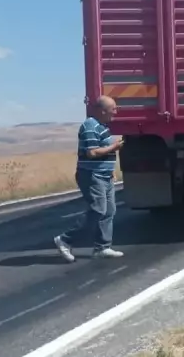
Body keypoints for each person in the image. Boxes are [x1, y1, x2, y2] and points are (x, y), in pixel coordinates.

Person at [55, 95, 125, 262]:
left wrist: (110, 170)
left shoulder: (102, 126)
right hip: (92, 176)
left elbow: (103, 152)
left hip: (104, 175)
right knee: (98, 210)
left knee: (109, 211)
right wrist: (115, 146)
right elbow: (92, 152)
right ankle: (65, 240)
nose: (115, 112)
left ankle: (102, 247)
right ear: (102, 111)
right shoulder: (90, 126)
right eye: (113, 109)